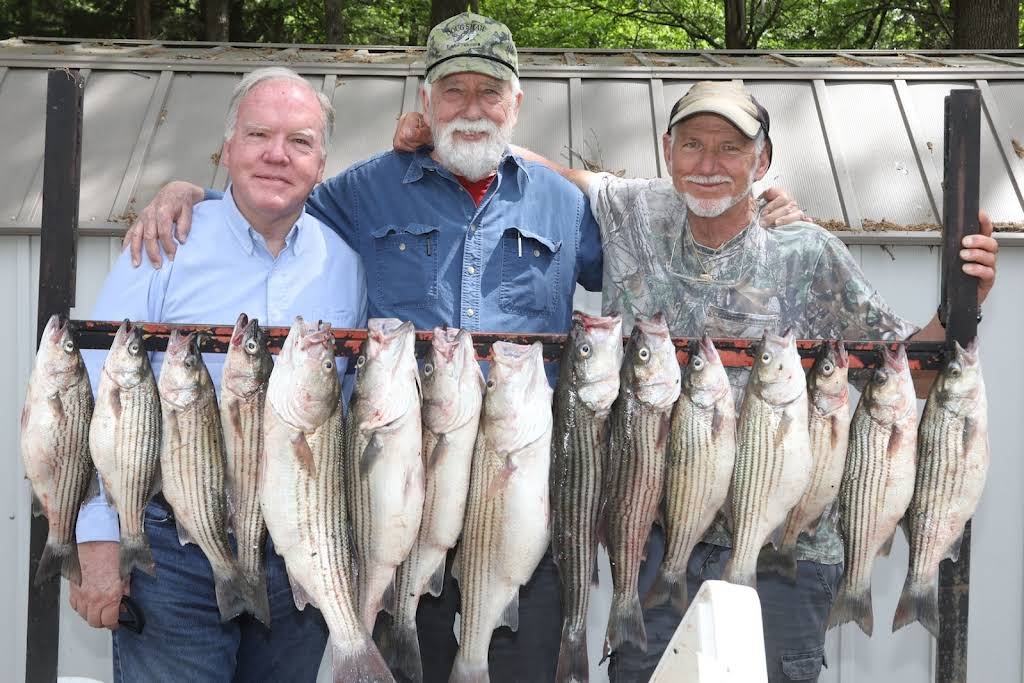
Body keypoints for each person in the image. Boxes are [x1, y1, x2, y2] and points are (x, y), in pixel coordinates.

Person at [123, 19, 801, 681]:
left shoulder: (564, 205)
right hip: (403, 488)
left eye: (489, 92)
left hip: (523, 486)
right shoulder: (365, 190)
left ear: (516, 104)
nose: (471, 107)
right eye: (453, 91)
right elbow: (274, 200)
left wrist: (762, 203)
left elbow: (668, 231)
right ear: (425, 101)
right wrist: (191, 197)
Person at [394, 79, 1001, 683]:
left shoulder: (809, 254)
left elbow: (910, 375)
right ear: (668, 151)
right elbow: (546, 169)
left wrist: (962, 304)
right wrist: (442, 137)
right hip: (658, 536)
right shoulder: (634, 213)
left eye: (731, 148)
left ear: (762, 159)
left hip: (784, 550)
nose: (708, 165)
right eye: (692, 145)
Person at [71, 66, 367, 681]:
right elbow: (97, 398)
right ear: (226, 148)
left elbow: (339, 417)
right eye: (258, 135)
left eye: (300, 142)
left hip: (295, 553)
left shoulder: (345, 267)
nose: (277, 155)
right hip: (171, 553)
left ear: (321, 164)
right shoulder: (163, 245)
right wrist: (98, 534)